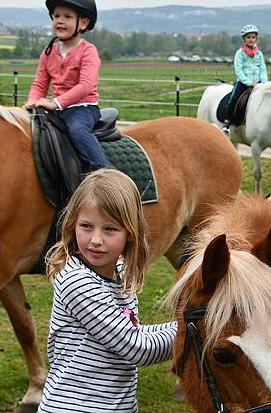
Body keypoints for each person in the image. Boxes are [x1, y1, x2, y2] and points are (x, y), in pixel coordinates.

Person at [39, 169, 177, 412]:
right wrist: (194, 329)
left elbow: (130, 334)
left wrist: (188, 324)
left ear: (130, 233)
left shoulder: (119, 272)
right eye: (86, 226)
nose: (95, 240)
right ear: (72, 224)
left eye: (110, 229)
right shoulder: (78, 282)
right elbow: (136, 347)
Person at [24, 0, 110, 171]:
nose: (60, 21)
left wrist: (55, 103)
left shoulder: (88, 51)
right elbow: (40, 83)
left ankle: (104, 171)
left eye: (67, 16)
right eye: (56, 16)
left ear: (83, 23)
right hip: (58, 109)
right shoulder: (48, 52)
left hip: (83, 108)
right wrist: (32, 101)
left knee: (77, 130)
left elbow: (85, 86)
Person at [222, 24, 268, 135]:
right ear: (244, 39)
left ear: (256, 39)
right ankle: (227, 123)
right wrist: (249, 82)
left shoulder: (259, 54)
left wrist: (264, 83)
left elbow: (263, 69)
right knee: (233, 98)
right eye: (248, 37)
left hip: (258, 83)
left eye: (253, 37)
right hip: (244, 83)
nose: (251, 40)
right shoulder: (240, 53)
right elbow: (239, 70)